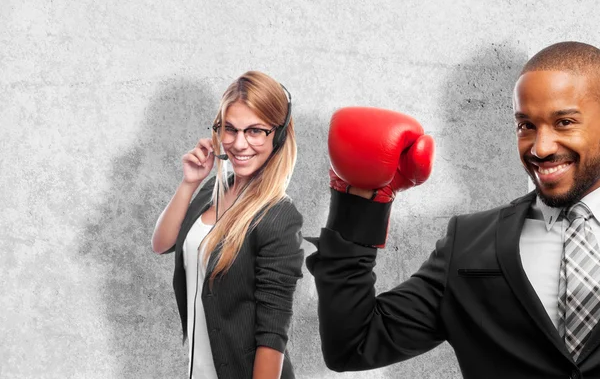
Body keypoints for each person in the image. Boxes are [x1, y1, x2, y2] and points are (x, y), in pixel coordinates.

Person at [306, 41, 600, 378]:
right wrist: (360, 198)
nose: (541, 147)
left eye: (564, 122)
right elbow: (353, 345)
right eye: (525, 126)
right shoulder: (470, 242)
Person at [152, 71, 304, 379]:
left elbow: (272, 333)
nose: (238, 143)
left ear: (278, 133)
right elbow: (162, 243)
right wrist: (189, 183)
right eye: (230, 129)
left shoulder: (278, 216)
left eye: (255, 131)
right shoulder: (214, 190)